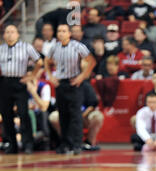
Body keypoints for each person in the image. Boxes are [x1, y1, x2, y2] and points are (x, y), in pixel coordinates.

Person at [45, 24, 96, 155]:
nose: (61, 33)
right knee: (63, 115)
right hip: (60, 83)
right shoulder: (54, 47)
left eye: (64, 31)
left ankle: (77, 144)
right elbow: (46, 61)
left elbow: (91, 61)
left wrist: (82, 77)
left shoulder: (77, 46)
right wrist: (50, 76)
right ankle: (65, 144)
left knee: (76, 116)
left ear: (69, 33)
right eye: (59, 31)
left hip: (74, 83)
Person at [0, 24, 43, 154]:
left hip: (19, 82)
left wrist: (32, 76)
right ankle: (11, 144)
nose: (10, 34)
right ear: (3, 35)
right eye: (7, 32)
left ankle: (28, 143)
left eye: (12, 32)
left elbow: (39, 62)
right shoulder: (1, 48)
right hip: (4, 82)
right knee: (6, 115)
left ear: (18, 34)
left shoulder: (26, 47)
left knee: (24, 113)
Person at [25, 66, 52, 151]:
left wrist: (33, 93)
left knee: (42, 113)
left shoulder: (44, 86)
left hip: (42, 119)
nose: (29, 80)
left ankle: (42, 139)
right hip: (27, 119)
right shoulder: (22, 88)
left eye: (31, 77)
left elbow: (44, 107)